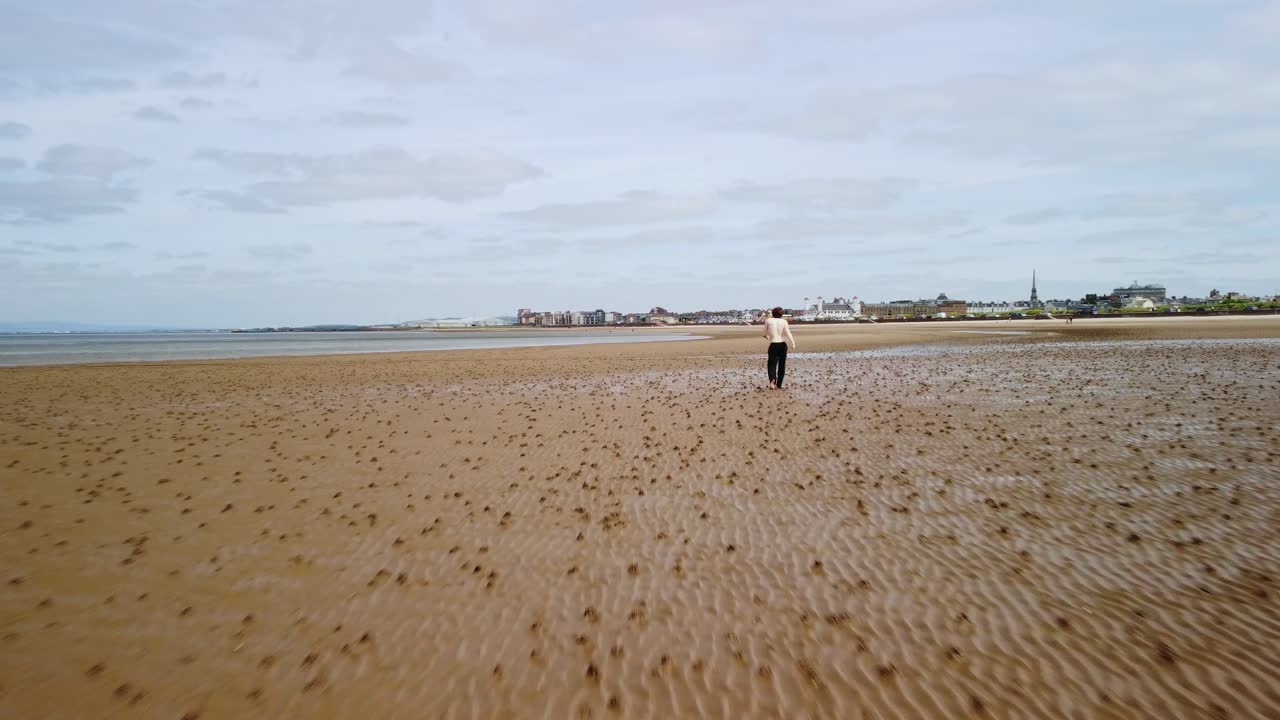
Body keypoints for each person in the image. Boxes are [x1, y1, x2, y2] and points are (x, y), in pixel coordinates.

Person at [761, 306, 796, 389]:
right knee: (782, 365)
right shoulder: (784, 321)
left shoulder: (768, 321)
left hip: (773, 344)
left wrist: (767, 337)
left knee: (772, 364)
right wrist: (793, 343)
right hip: (782, 345)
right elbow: (788, 333)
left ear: (773, 313)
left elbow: (763, 333)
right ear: (782, 314)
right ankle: (779, 384)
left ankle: (772, 381)